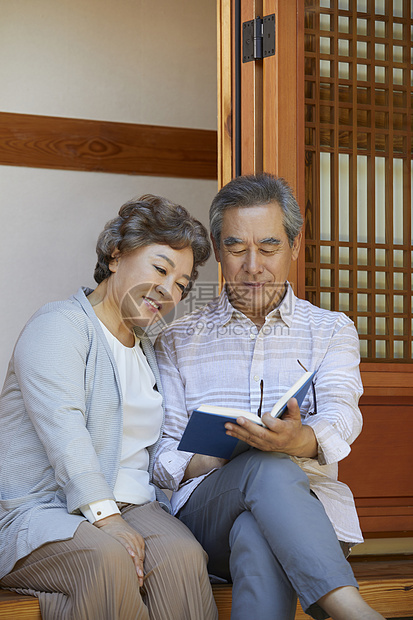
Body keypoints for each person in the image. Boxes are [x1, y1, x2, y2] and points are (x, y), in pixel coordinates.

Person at [153, 174, 386, 620]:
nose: (253, 265)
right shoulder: (178, 338)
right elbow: (160, 451)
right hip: (207, 516)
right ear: (219, 251)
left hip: (311, 518)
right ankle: (351, 610)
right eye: (237, 249)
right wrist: (213, 457)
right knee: (261, 463)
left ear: (294, 247)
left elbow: (342, 412)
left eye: (269, 247)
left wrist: (298, 441)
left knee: (256, 529)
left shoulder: (331, 329)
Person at [0, 194, 218, 620]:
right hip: (44, 509)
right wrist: (107, 518)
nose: (168, 290)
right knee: (108, 558)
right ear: (116, 255)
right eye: (160, 268)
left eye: (182, 284)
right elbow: (66, 430)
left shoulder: (150, 350)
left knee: (184, 557)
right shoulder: (59, 325)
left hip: (135, 507)